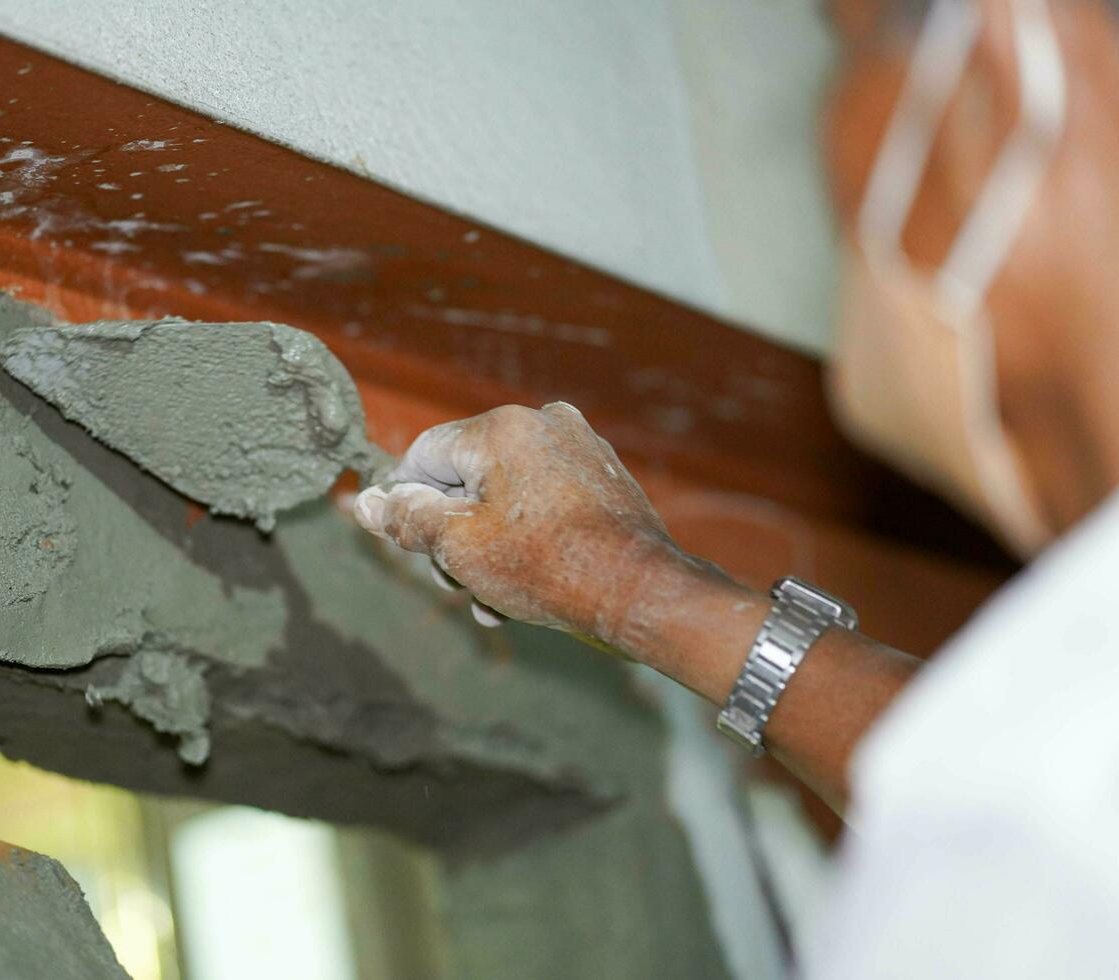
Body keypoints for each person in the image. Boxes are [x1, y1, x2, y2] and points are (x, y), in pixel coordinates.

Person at [356, 0, 1119, 975]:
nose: (822, 134)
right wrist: (633, 585)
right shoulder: (1057, 760)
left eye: (850, 50)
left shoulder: (1010, 868)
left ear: (1002, 69)